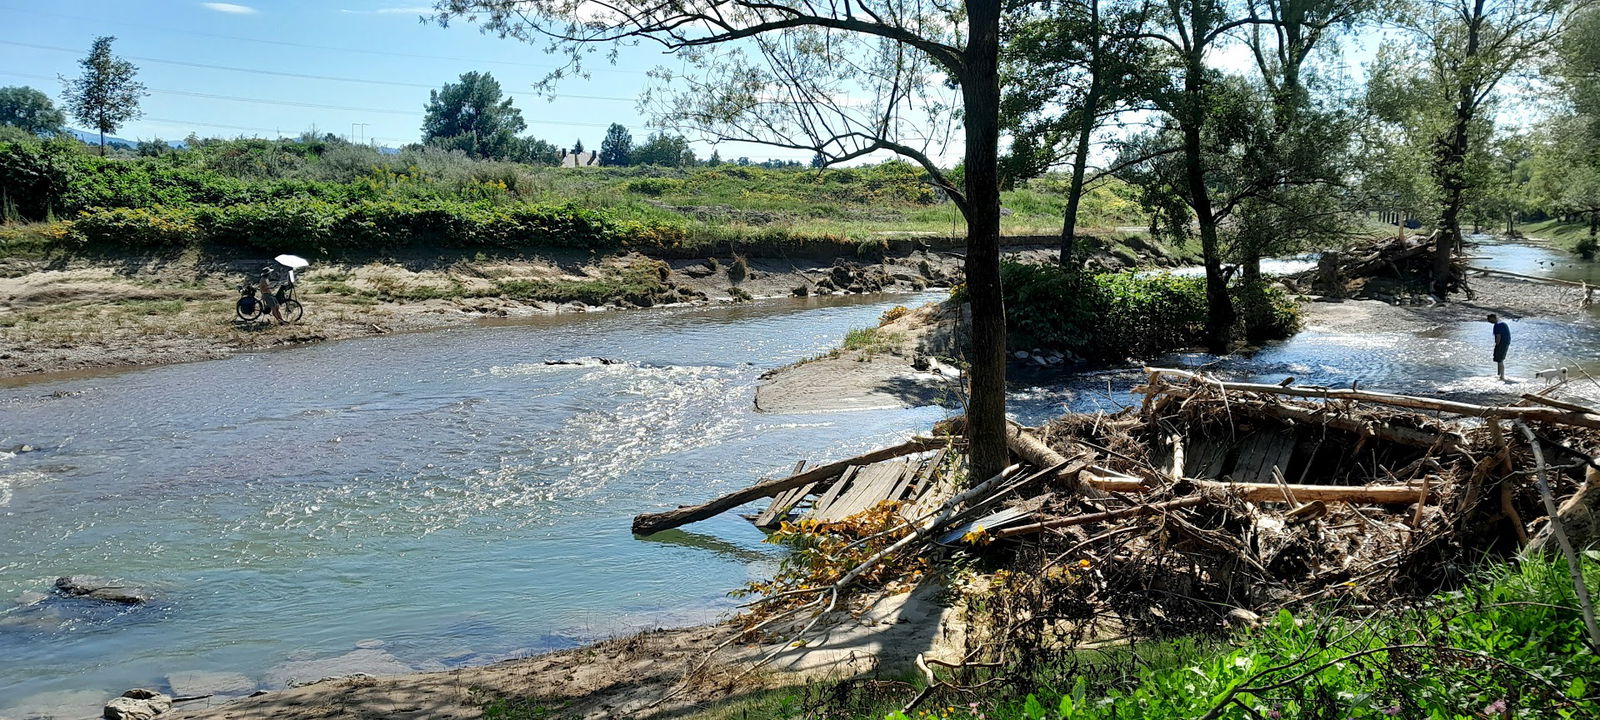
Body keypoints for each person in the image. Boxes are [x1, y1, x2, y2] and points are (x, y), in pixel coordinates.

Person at [1487, 313, 1510, 380]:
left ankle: (1502, 376)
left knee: (1500, 360)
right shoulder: (1502, 323)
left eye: (1489, 320)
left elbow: (1498, 336)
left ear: (1493, 318)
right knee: (1499, 359)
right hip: (1506, 342)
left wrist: (1496, 345)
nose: (1489, 321)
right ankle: (1499, 374)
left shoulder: (1497, 325)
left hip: (1501, 344)